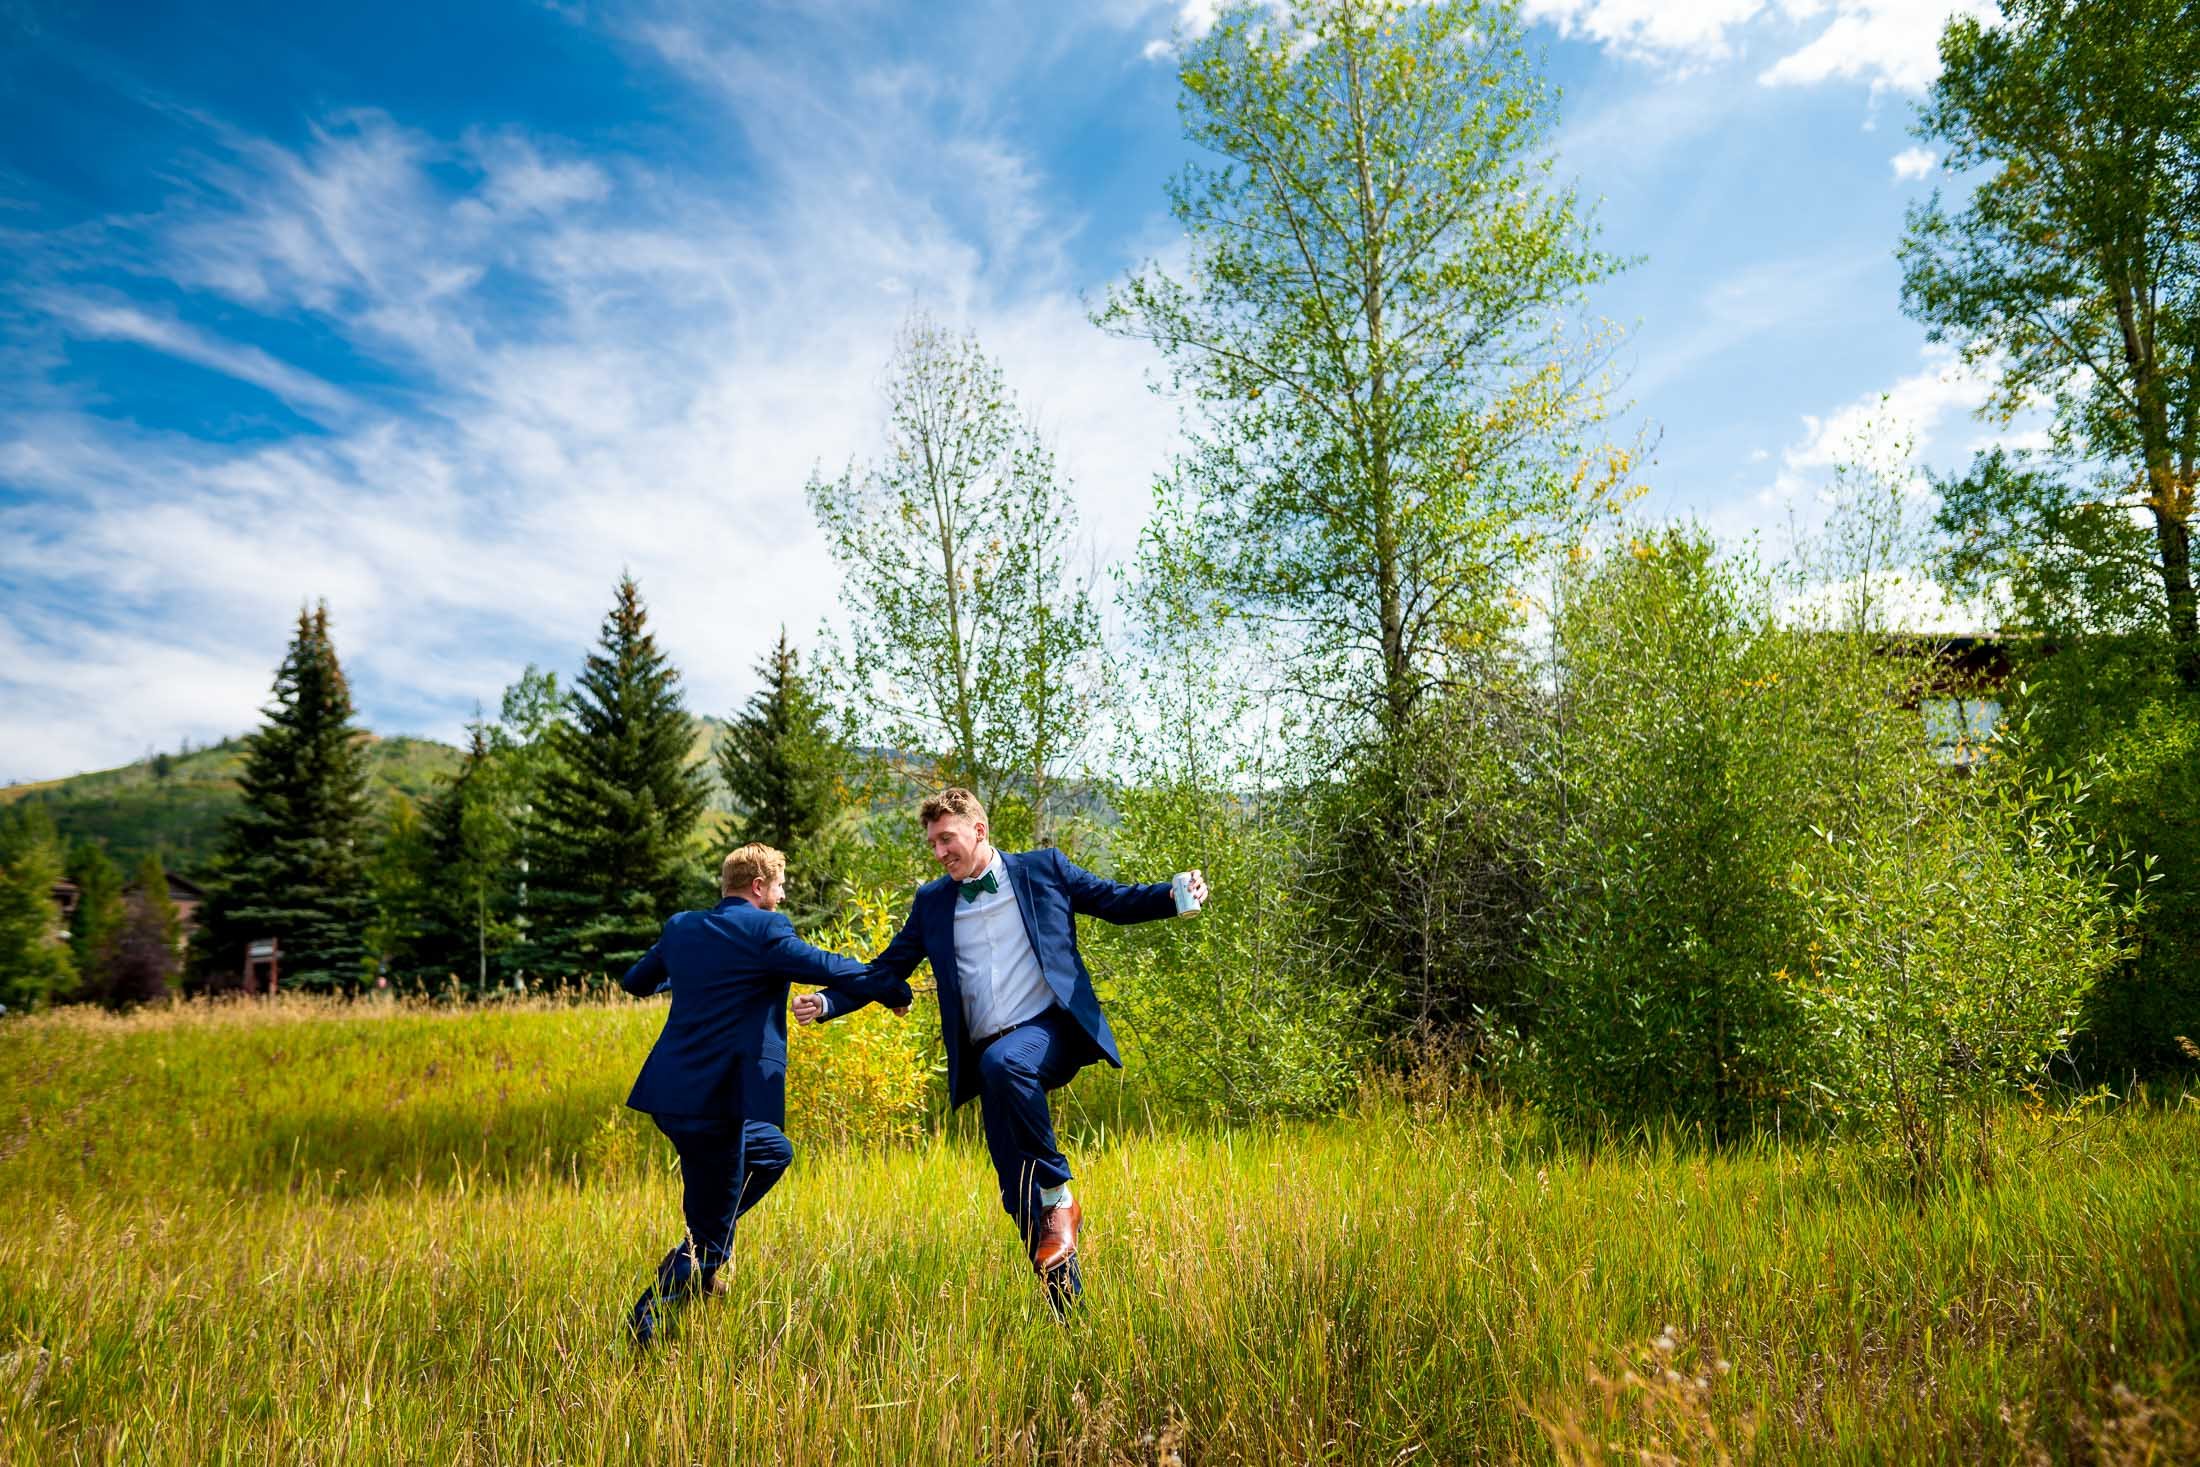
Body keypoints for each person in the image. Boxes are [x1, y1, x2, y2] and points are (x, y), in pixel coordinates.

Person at [796, 787, 1205, 1311]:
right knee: (1018, 1196)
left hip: (1047, 1033)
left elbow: (1113, 901)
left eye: (947, 839)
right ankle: (1069, 1313)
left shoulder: (1043, 870)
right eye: (933, 844)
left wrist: (1173, 895)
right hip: (992, 1066)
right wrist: (830, 1003)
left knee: (1012, 1077)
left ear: (979, 831)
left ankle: (1061, 1197)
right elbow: (886, 969)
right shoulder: (933, 903)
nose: (940, 851)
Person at [618, 842, 911, 1346]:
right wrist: (891, 988)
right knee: (711, 1231)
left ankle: (700, 1257)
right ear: (759, 887)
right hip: (718, 1100)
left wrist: (695, 972)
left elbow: (635, 982)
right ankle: (649, 1317)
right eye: (779, 886)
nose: (782, 894)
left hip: (670, 1094)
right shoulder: (765, 929)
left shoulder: (682, 927)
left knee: (770, 1152)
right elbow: (828, 966)